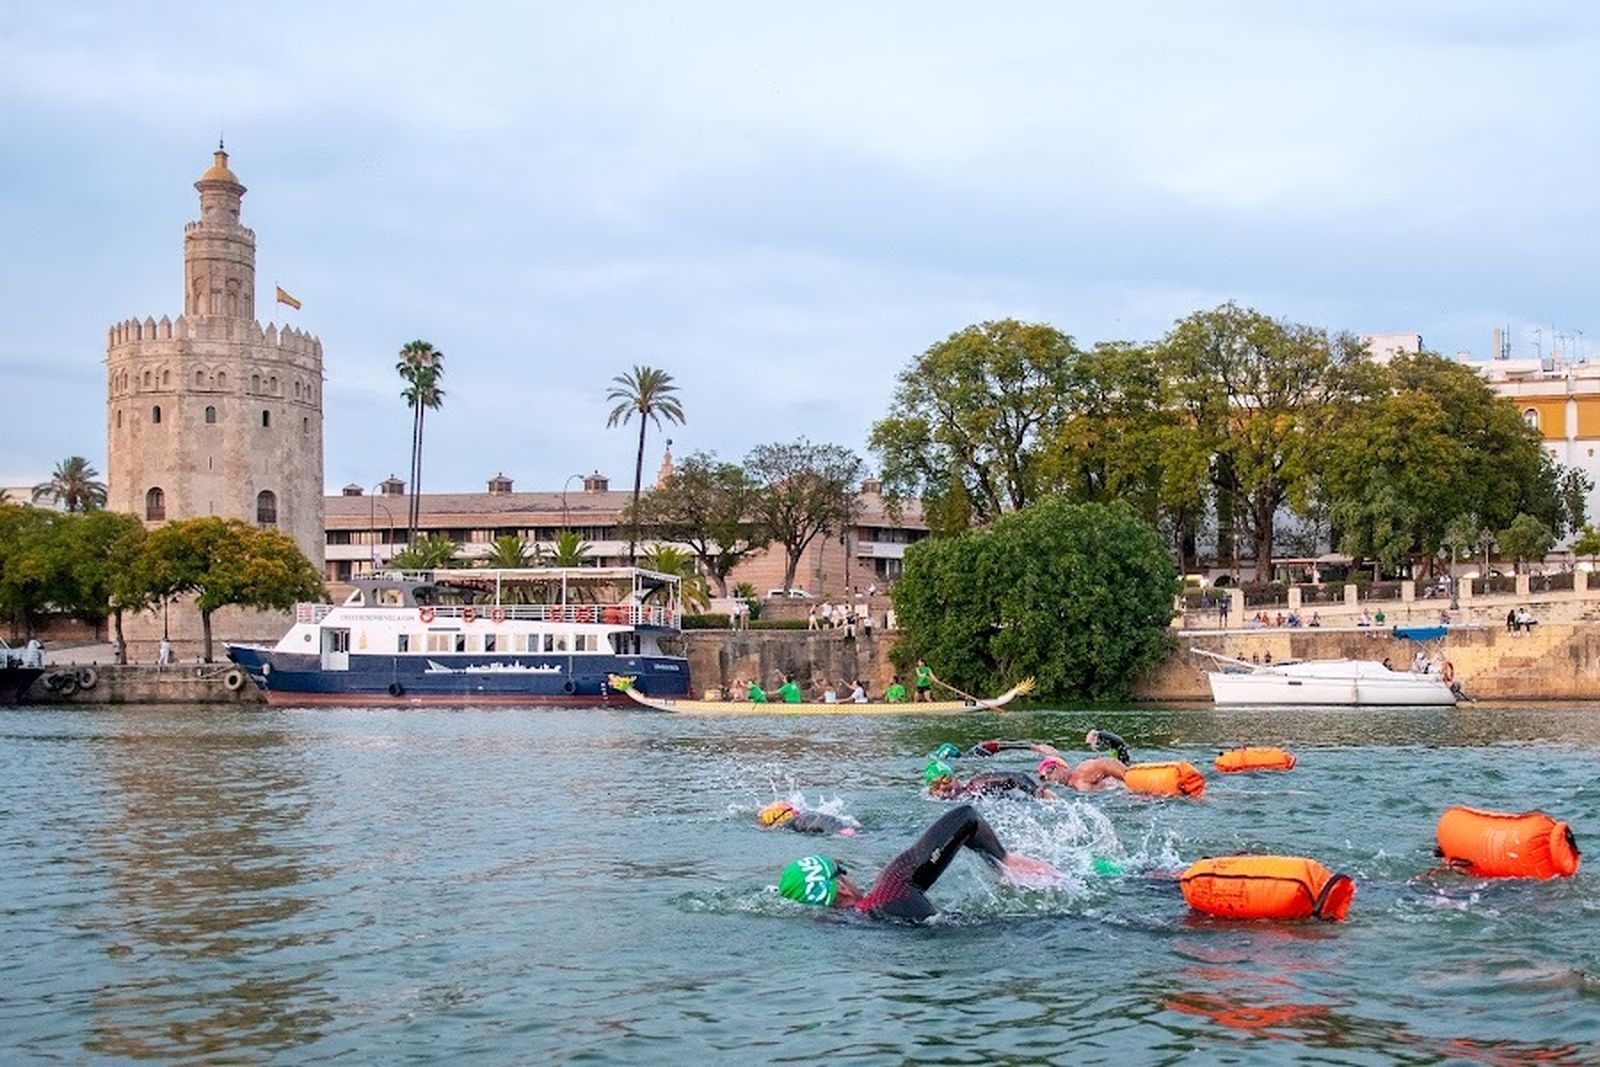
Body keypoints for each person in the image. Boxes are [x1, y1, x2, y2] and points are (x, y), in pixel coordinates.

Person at [776, 804, 1059, 921]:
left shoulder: (845, 927)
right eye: (841, 871)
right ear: (841, 889)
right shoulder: (888, 892)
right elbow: (965, 817)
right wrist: (1003, 861)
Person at [924, 760, 1055, 800]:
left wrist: (1037, 792)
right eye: (935, 786)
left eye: (945, 779)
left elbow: (1016, 777)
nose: (942, 786)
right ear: (931, 792)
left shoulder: (976, 785)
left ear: (955, 777)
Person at [1033, 750, 1128, 792]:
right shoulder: (1069, 789)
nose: (1048, 777)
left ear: (1062, 767)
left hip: (1126, 793)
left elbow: (1107, 763)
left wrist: (1128, 778)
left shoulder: (1081, 772)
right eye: (1043, 778)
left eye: (1050, 771)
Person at [759, 800, 858, 837]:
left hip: (844, 833)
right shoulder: (795, 821)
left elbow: (816, 819)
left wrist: (839, 829)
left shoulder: (794, 821)